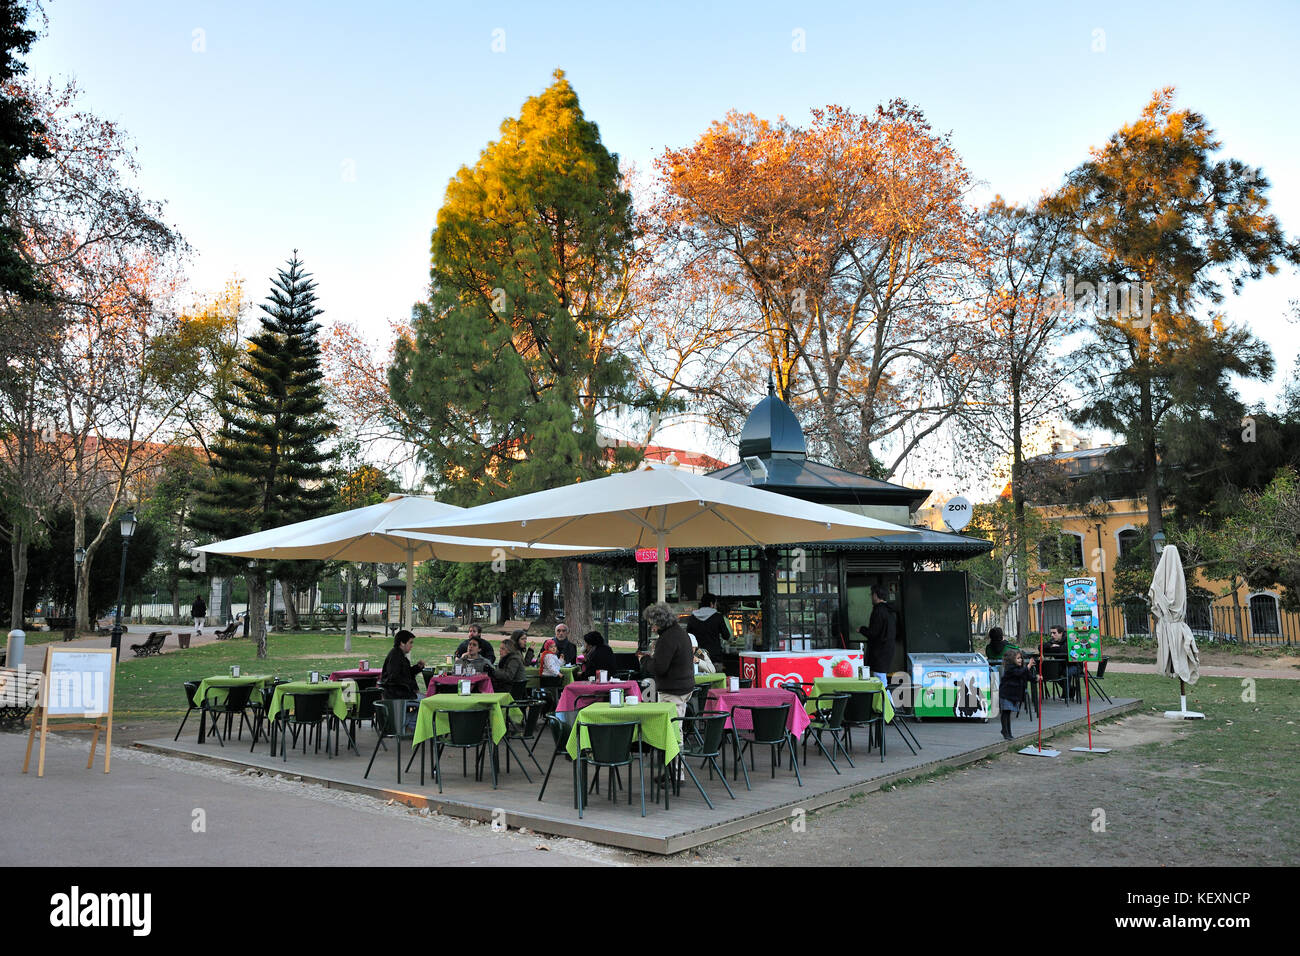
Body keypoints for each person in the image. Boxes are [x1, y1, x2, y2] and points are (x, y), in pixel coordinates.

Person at [380, 630, 425, 730]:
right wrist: (412, 688)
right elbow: (394, 678)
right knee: (426, 702)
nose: (412, 646)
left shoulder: (399, 656)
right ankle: (408, 724)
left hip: (400, 692)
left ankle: (409, 725)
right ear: (402, 643)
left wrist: (417, 667)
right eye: (410, 642)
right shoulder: (395, 656)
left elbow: (406, 673)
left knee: (425, 700)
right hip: (396, 694)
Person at [858, 585, 897, 687]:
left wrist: (862, 629)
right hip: (888, 648)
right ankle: (887, 701)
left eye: (872, 594)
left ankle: (887, 702)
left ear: (875, 595)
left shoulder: (878, 611)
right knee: (881, 678)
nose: (871, 597)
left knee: (879, 680)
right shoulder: (891, 611)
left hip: (879, 651)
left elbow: (873, 633)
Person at [998, 649, 1037, 739]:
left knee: (1008, 712)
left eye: (1021, 658)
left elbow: (1028, 677)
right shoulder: (1010, 669)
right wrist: (1028, 667)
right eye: (1018, 658)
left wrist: (1036, 679)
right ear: (1012, 660)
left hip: (1014, 694)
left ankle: (1007, 731)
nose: (1020, 660)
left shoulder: (1022, 669)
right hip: (1006, 693)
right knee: (1006, 712)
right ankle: (1006, 731)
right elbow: (1019, 673)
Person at [687, 593, 729, 662]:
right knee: (716, 672)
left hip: (698, 655)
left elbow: (688, 635)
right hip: (715, 655)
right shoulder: (718, 617)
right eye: (715, 604)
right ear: (711, 604)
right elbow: (726, 636)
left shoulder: (693, 617)